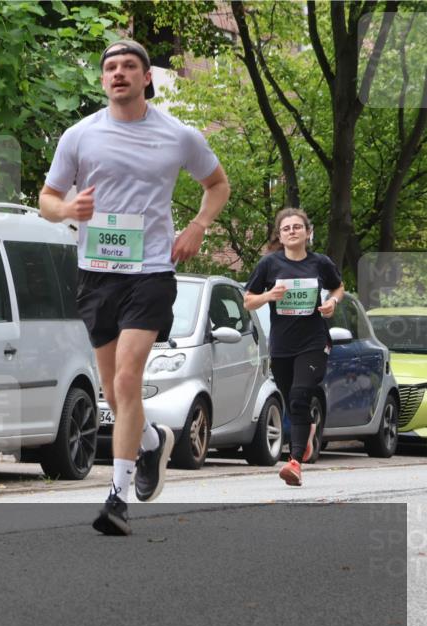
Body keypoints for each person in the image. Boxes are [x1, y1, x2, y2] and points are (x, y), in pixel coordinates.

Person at [39, 39, 230, 536]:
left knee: (126, 381)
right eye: (110, 68)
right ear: (102, 80)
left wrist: (198, 226)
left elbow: (218, 184)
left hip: (150, 271)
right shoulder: (79, 136)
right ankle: (150, 441)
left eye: (128, 66)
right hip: (97, 271)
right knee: (112, 389)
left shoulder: (178, 135)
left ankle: (117, 498)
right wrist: (67, 211)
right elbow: (47, 199)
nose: (118, 73)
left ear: (147, 78)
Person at [244, 208, 343, 487]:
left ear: (307, 232)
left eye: (297, 227)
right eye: (286, 228)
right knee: (293, 402)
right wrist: (268, 295)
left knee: (300, 396)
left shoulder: (320, 263)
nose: (292, 232)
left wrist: (332, 303)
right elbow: (248, 301)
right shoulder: (269, 265)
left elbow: (338, 287)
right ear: (280, 234)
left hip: (313, 341)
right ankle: (307, 429)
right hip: (282, 345)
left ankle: (295, 462)